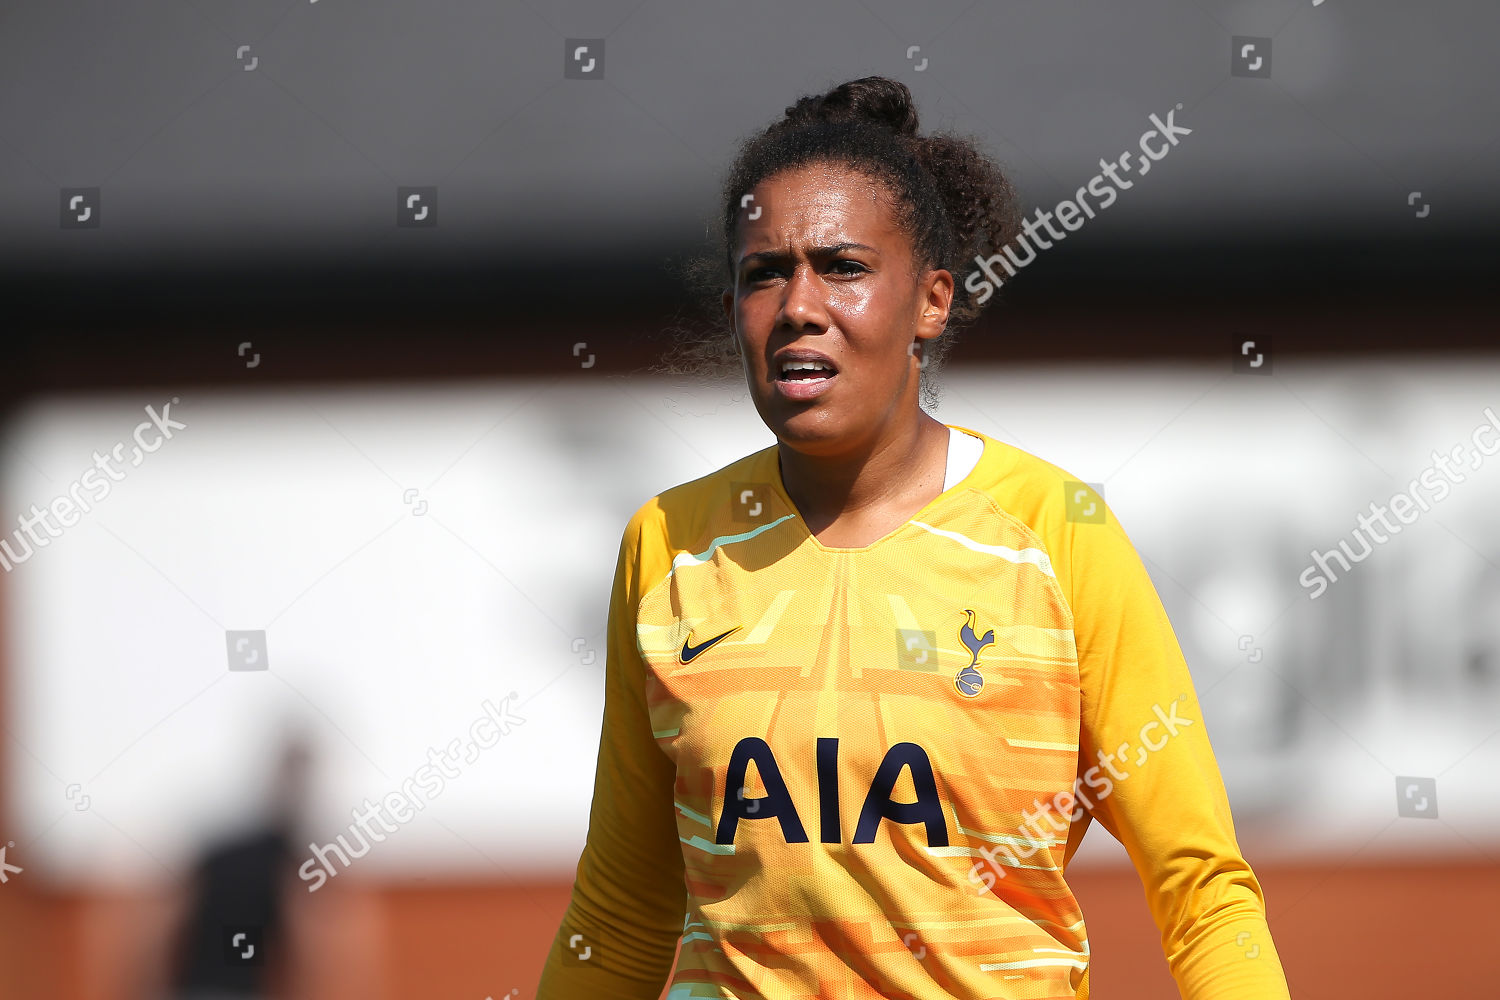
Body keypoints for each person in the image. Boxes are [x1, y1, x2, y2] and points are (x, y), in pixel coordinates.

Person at [536, 76, 1291, 1000]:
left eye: (843, 266)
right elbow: (620, 911)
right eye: (763, 273)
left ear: (932, 301)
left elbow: (1203, 890)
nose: (798, 305)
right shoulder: (668, 545)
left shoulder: (1057, 533)